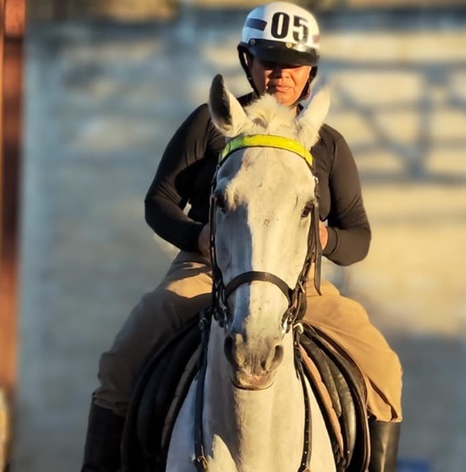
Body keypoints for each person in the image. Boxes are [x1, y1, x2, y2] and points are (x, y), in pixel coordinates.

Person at [81, 2, 403, 471]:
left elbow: (360, 237)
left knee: (384, 368)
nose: (280, 74)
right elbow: (159, 201)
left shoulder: (329, 143)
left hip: (298, 278)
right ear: (246, 61)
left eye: (293, 65)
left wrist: (322, 238)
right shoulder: (208, 124)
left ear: (310, 72)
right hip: (205, 268)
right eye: (268, 60)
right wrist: (198, 236)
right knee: (122, 357)